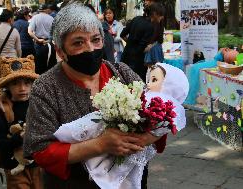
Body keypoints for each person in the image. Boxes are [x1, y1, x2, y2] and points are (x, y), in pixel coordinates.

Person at [23, 2, 161, 189]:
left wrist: (142, 139)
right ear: (60, 51)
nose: (90, 48)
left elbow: (161, 116)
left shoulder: (122, 73)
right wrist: (101, 145)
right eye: (78, 42)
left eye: (96, 39)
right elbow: (39, 149)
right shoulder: (46, 87)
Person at [52, 63, 189, 189]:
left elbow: (162, 128)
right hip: (119, 133)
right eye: (148, 80)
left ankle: (71, 137)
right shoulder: (146, 95)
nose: (146, 85)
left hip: (127, 142)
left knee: (122, 169)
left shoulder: (162, 103)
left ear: (170, 85)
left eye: (154, 80)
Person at [0, 55, 42, 189]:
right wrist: (19, 137)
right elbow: (2, 144)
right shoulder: (5, 110)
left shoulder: (38, 105)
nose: (22, 88)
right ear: (7, 86)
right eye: (15, 83)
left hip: (38, 165)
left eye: (27, 83)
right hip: (15, 168)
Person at [120, 2, 155, 81]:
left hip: (126, 54)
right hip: (137, 61)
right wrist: (149, 47)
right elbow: (141, 48)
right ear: (154, 13)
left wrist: (130, 42)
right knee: (136, 85)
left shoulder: (136, 19)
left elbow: (122, 34)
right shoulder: (150, 26)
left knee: (123, 81)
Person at [28, 4, 56, 74]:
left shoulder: (35, 18)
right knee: (50, 66)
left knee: (39, 66)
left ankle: (39, 82)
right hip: (49, 43)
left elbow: (29, 32)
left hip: (38, 44)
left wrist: (37, 39)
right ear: (46, 9)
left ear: (39, 10)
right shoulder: (51, 18)